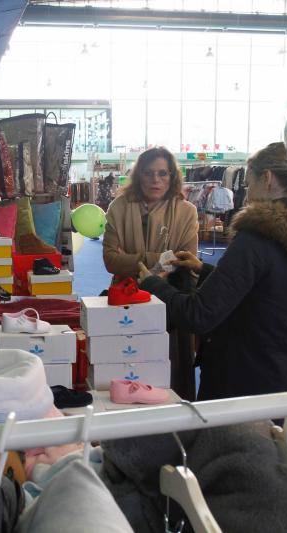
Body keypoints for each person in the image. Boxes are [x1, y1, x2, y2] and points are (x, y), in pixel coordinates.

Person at [138, 142, 287, 401]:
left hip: (241, 381)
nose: (246, 193)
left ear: (267, 178)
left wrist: (152, 284)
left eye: (249, 183)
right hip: (281, 374)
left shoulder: (257, 237)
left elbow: (199, 314)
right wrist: (204, 269)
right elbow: (266, 289)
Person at [103, 146, 199, 399]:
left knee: (171, 371)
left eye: (163, 173)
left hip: (172, 299)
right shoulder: (119, 207)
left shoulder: (186, 211)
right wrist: (159, 258)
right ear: (139, 175)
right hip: (128, 296)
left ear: (172, 177)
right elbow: (111, 260)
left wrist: (133, 260)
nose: (155, 180)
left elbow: (186, 260)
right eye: (148, 173)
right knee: (127, 362)